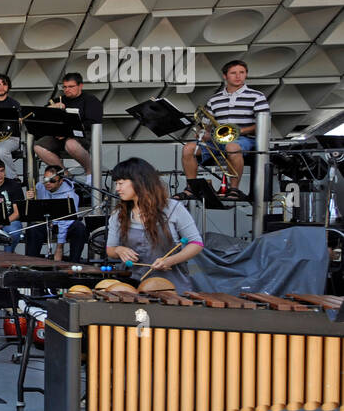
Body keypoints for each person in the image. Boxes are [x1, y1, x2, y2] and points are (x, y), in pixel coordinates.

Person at [106, 158, 203, 291]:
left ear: (139, 181)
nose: (117, 189)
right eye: (116, 184)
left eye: (121, 183)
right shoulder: (119, 214)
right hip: (132, 286)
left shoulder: (173, 208)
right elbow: (110, 249)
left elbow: (196, 244)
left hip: (172, 287)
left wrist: (170, 260)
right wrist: (118, 250)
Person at [179, 59, 269, 201]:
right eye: (233, 73)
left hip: (244, 140)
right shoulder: (214, 100)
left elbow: (264, 124)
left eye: (242, 72)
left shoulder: (257, 96)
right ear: (225, 76)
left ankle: (234, 189)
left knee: (232, 146)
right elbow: (206, 124)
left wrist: (240, 131)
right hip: (218, 140)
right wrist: (203, 133)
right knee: (188, 148)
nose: (238, 76)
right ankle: (192, 187)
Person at [35, 72, 101, 173]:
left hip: (81, 136)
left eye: (71, 86)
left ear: (80, 86)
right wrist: (51, 108)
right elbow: (41, 115)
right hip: (58, 136)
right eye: (64, 87)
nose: (67, 90)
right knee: (38, 147)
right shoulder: (59, 100)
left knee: (71, 144)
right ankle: (64, 174)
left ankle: (90, 171)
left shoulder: (90, 100)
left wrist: (68, 132)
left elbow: (93, 122)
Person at [24, 165, 87, 262]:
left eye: (52, 181)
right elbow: (32, 213)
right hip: (47, 222)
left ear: (61, 181)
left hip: (64, 224)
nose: (48, 183)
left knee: (79, 227)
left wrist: (59, 247)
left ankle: (74, 263)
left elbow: (66, 221)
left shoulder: (71, 195)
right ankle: (30, 264)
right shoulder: (40, 187)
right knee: (32, 228)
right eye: (45, 179)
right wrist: (30, 200)